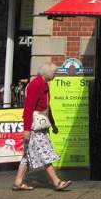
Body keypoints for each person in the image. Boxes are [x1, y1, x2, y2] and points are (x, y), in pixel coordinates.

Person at [12, 61, 72, 191]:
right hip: (35, 126)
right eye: (54, 72)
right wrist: (27, 129)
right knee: (45, 153)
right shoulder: (36, 85)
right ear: (49, 73)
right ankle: (56, 182)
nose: (55, 75)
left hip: (40, 124)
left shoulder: (43, 84)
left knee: (27, 155)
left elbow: (47, 107)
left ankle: (18, 182)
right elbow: (29, 108)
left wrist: (53, 124)